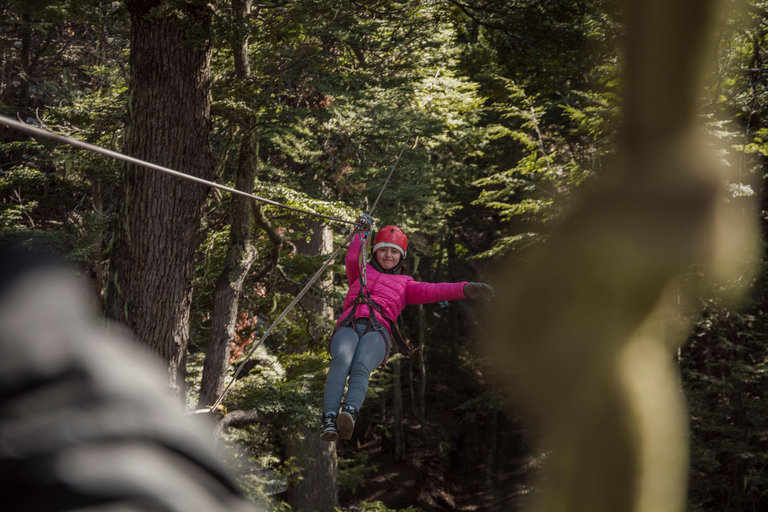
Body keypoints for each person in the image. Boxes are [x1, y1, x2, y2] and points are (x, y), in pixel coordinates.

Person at [320, 215, 494, 442]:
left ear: (401, 257)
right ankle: (329, 419)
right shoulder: (360, 272)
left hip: (377, 330)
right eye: (383, 250)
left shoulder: (406, 285)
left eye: (394, 252)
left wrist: (465, 289)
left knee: (362, 364)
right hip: (349, 323)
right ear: (375, 252)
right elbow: (353, 256)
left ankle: (349, 413)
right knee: (341, 361)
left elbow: (435, 290)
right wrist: (362, 233)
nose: (388, 255)